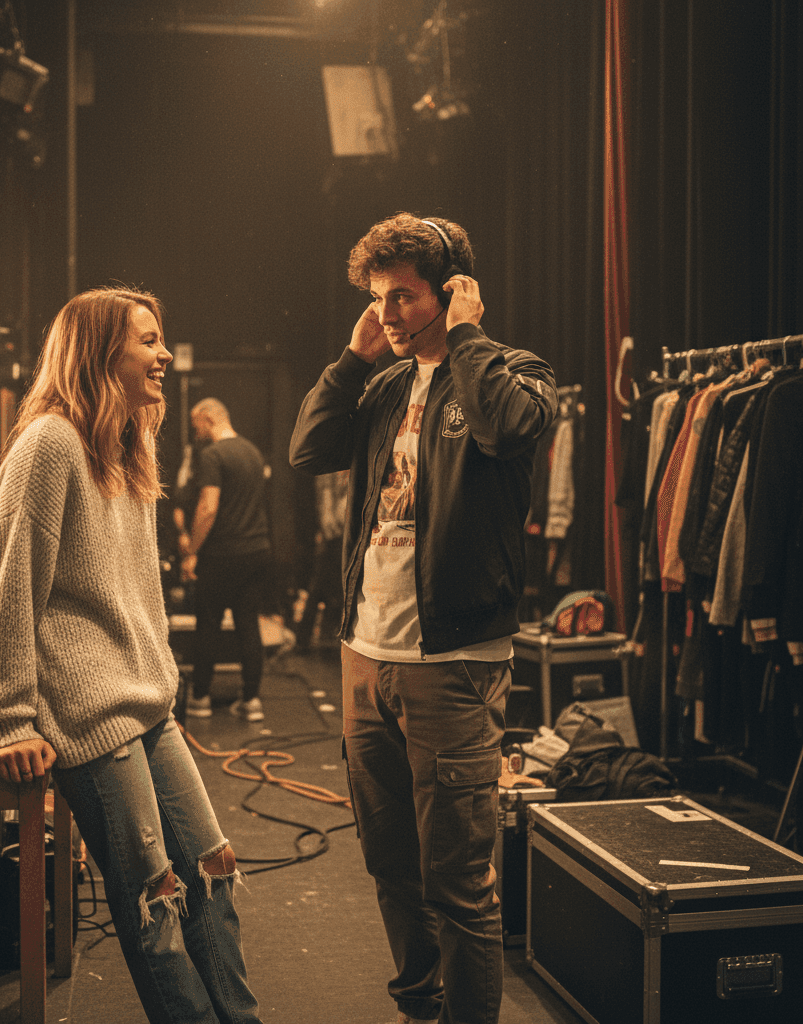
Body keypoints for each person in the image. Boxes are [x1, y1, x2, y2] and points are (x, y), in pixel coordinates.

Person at [289, 213, 558, 1024]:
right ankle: (417, 1003)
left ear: (454, 291)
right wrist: (352, 357)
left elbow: (506, 428)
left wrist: (469, 340)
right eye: (378, 300)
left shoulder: (513, 373)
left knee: (459, 882)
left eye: (402, 298)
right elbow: (307, 449)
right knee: (390, 863)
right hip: (365, 658)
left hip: (454, 664)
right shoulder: (380, 386)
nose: (388, 315)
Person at [0, 287, 265, 1024]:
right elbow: (7, 589)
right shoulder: (48, 444)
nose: (165, 354)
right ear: (102, 352)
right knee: (152, 907)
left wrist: (161, 677)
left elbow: (140, 592)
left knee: (210, 873)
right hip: (87, 714)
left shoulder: (133, 444)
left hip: (147, 704)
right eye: (149, 340)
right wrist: (10, 719)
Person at [180, 398, 271, 722]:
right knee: (248, 625)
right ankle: (251, 701)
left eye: (197, 425)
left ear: (208, 417)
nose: (197, 432)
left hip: (221, 555)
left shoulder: (213, 455)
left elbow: (208, 507)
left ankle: (201, 699)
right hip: (256, 549)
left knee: (208, 626)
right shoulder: (252, 452)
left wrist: (191, 551)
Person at [295, 469, 348, 650]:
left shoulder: (330, 468)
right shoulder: (335, 469)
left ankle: (304, 641)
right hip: (337, 534)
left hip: (334, 534)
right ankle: (310, 640)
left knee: (319, 589)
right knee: (330, 588)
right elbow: (327, 499)